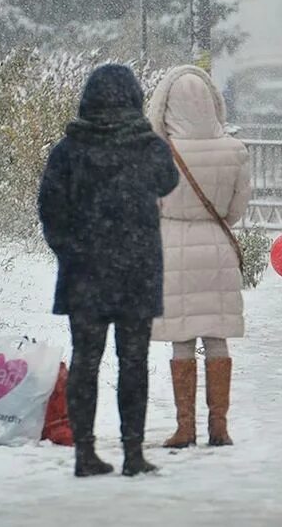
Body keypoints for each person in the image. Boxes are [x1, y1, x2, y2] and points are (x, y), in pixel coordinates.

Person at [38, 64, 179, 477]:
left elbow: (50, 207)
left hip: (85, 274)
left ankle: (85, 452)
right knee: (133, 362)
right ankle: (133, 453)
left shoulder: (69, 148)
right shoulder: (146, 146)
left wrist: (68, 250)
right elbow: (167, 181)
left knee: (86, 361)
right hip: (136, 270)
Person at [145, 65, 251, 448]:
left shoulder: (158, 153)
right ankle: (219, 426)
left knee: (182, 339)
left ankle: (185, 427)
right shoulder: (233, 152)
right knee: (217, 335)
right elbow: (236, 209)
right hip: (217, 249)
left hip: (172, 249)